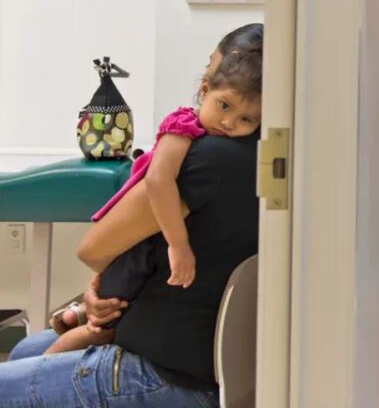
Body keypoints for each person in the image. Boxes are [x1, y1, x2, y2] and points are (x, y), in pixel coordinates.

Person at [0, 24, 263, 405]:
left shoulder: (204, 156)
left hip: (154, 371)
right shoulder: (261, 156)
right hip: (198, 363)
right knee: (28, 351)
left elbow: (94, 250)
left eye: (210, 65)